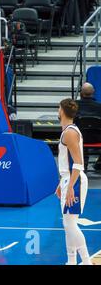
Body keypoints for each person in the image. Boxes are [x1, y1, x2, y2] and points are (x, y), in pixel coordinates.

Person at [55, 98, 92, 265]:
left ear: (62, 111)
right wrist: (62, 183)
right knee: (67, 224)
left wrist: (70, 187)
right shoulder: (68, 131)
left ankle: (86, 261)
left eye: (58, 108)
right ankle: (71, 261)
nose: (57, 111)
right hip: (69, 179)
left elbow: (78, 163)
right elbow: (68, 161)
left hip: (74, 180)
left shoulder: (70, 132)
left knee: (70, 224)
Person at [75, 82, 101, 170]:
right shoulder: (99, 106)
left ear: (81, 92)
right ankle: (99, 163)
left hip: (79, 138)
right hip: (97, 138)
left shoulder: (74, 105)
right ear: (93, 92)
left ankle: (82, 164)